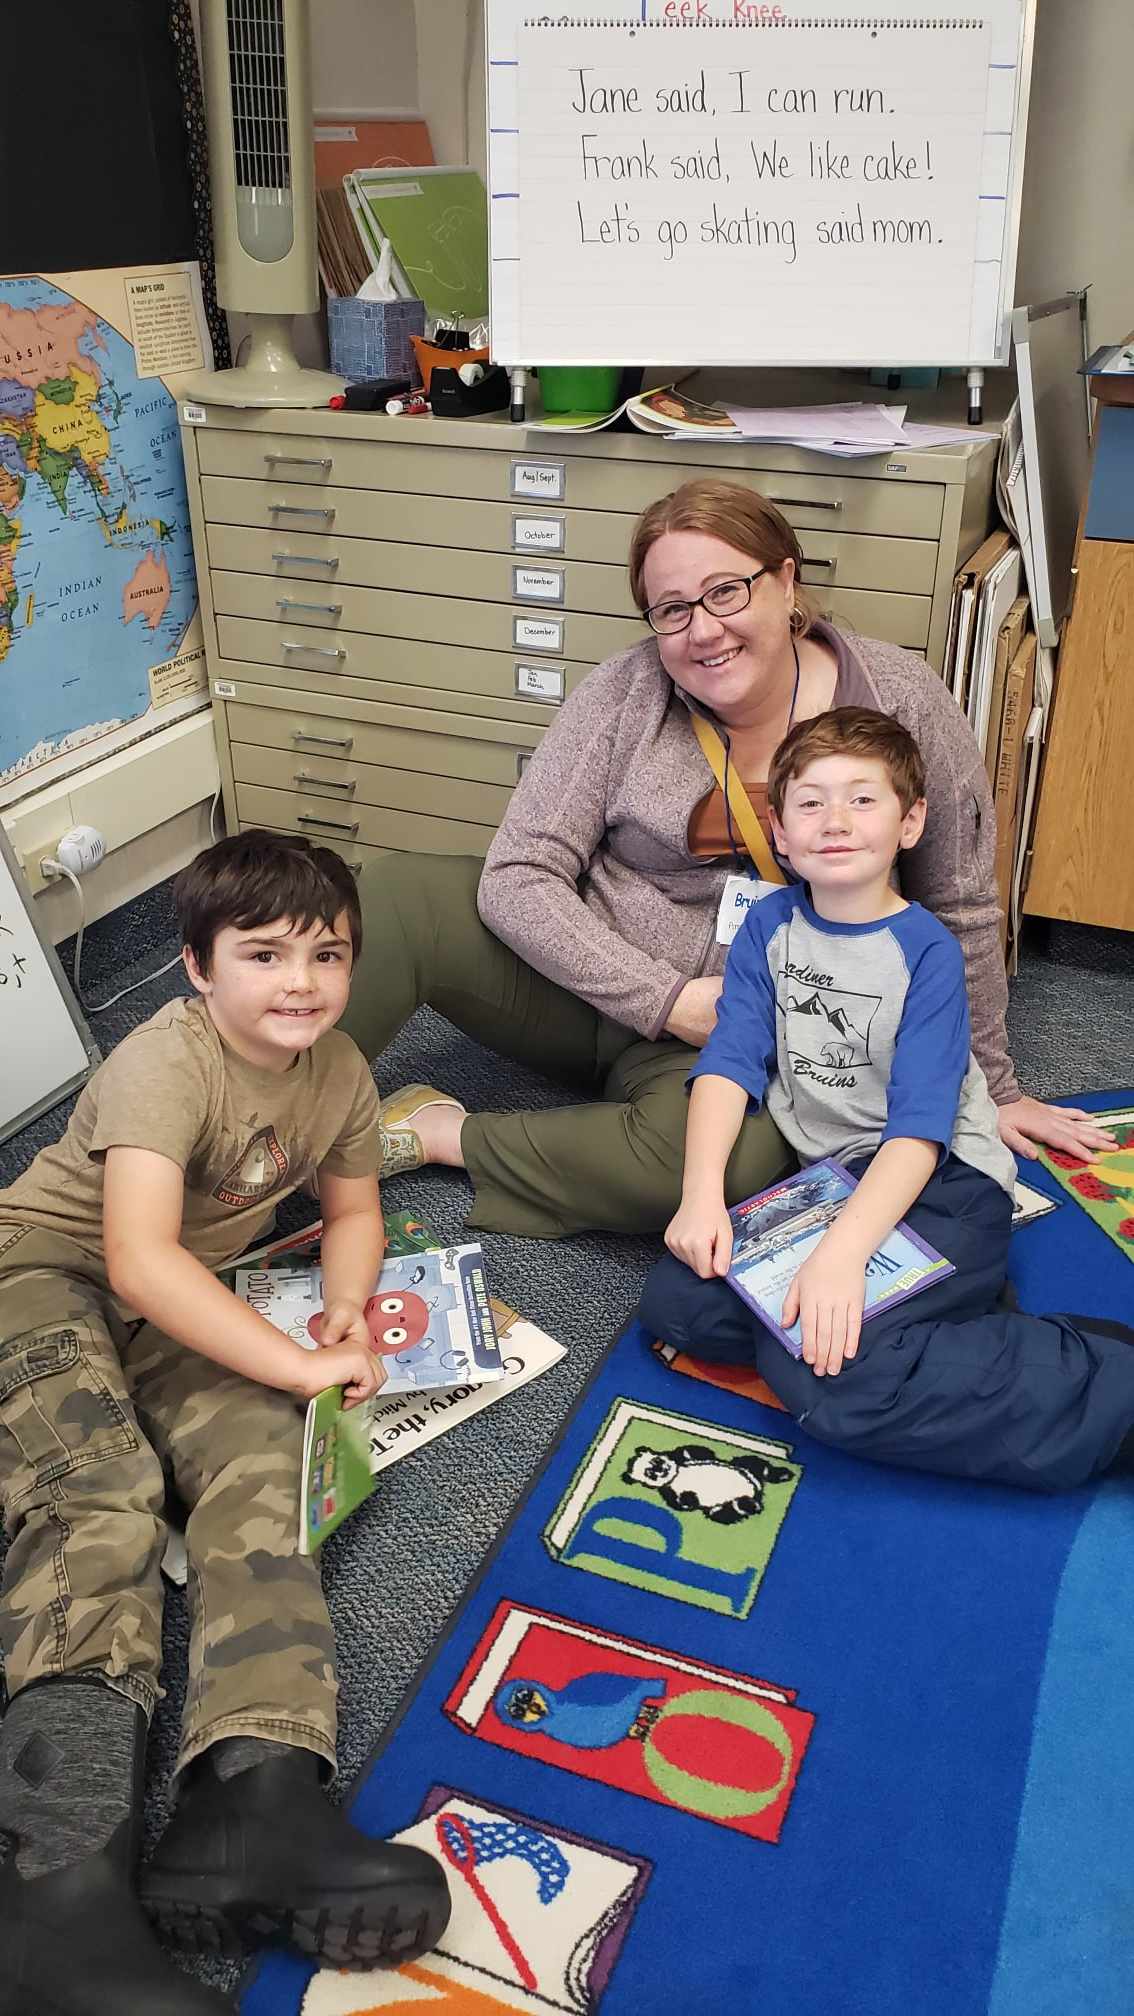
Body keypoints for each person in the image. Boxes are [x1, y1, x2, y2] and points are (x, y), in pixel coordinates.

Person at [347, 477, 1112, 1239]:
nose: (702, 631)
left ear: (785, 582)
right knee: (397, 893)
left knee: (730, 1170)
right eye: (672, 610)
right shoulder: (625, 691)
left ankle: (442, 1133)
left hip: (752, 1029)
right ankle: (252, 1127)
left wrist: (998, 1089)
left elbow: (960, 906)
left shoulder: (900, 699)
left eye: (726, 592)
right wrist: (661, 997)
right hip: (588, 980)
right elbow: (518, 874)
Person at [0, 832, 449, 2016]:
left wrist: (344, 1312)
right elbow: (139, 1262)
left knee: (265, 1466)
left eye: (328, 953)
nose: (301, 980)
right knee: (99, 1499)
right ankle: (48, 1893)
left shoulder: (340, 1066)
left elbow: (354, 1207)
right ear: (196, 967)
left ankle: (253, 1797)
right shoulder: (166, 1062)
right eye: (265, 954)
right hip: (41, 1272)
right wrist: (296, 1367)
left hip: (172, 1304)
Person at [637, 708, 1134, 1492]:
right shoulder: (770, 925)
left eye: (862, 800)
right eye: (811, 802)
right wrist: (700, 1199)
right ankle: (934, 1312)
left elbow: (919, 1132)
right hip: (832, 1183)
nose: (835, 821)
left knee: (837, 1385)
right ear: (781, 828)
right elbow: (729, 1064)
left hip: (942, 1184)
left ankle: (1101, 1380)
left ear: (910, 823)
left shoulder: (926, 951)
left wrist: (840, 1258)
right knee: (677, 1304)